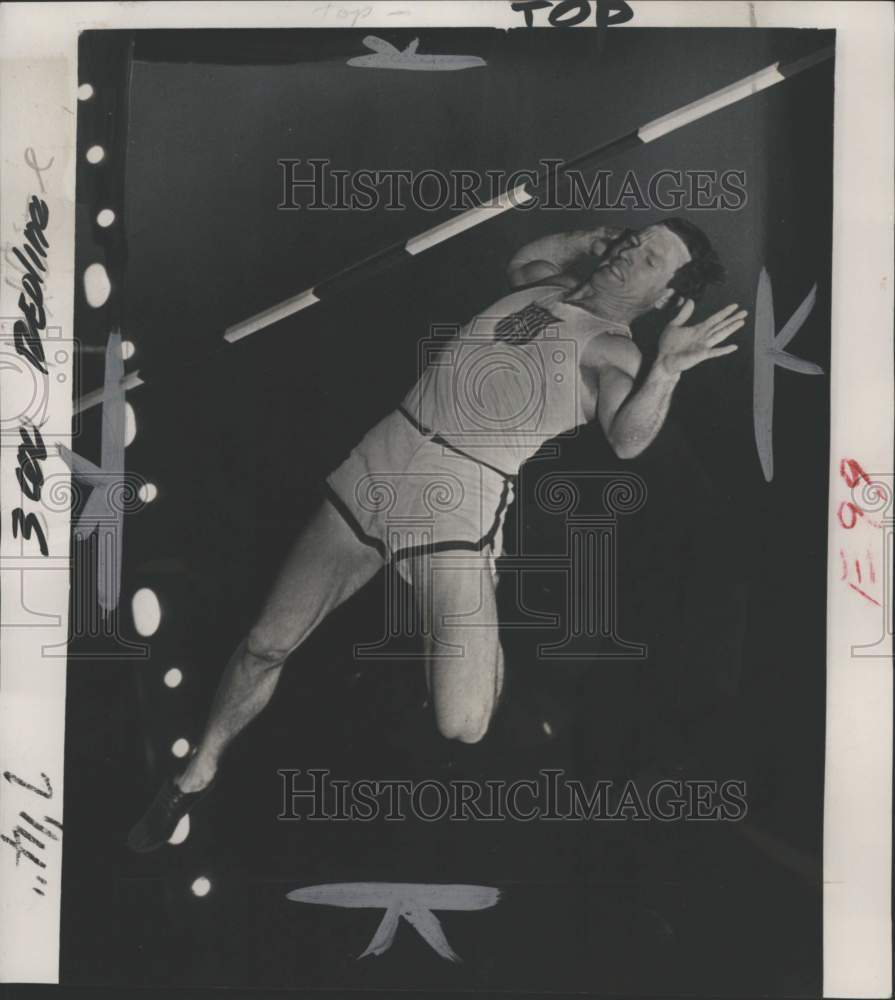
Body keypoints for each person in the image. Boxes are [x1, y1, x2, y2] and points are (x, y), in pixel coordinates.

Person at [127, 217, 745, 852]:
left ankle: (481, 633)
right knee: (266, 644)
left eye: (648, 262)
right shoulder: (547, 287)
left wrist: (666, 370)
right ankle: (196, 774)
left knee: (463, 723)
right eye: (633, 242)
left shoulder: (615, 351)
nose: (627, 257)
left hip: (455, 505)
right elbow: (523, 259)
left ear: (666, 298)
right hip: (380, 463)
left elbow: (627, 439)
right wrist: (587, 238)